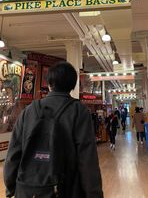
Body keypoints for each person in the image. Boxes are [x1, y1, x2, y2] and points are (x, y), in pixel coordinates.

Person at [4, 61, 103, 198]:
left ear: (49, 83)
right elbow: (87, 159)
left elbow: (13, 154)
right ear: (72, 85)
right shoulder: (78, 111)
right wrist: (94, 194)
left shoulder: (28, 111)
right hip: (65, 189)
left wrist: (10, 188)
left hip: (27, 189)